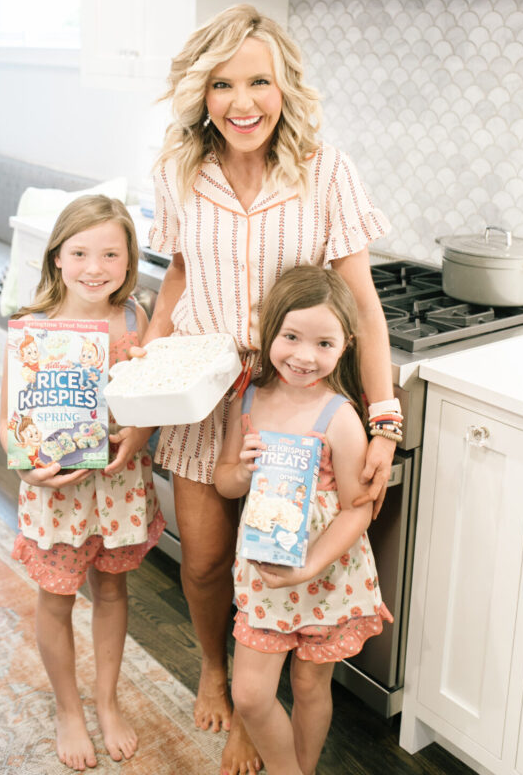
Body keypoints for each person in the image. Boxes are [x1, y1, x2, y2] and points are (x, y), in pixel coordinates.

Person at [116, 3, 402, 775]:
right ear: (200, 94)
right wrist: (145, 372)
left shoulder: (325, 170)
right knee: (207, 562)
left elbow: (363, 307)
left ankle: (256, 705)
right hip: (202, 391)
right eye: (221, 84)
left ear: (284, 88)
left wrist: (383, 419)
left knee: (280, 554)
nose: (241, 102)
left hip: (294, 398)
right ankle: (217, 672)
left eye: (257, 82)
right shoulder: (178, 171)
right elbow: (178, 277)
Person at [0, 195, 165, 772]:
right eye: (80, 253)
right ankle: (69, 709)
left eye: (111, 254)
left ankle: (106, 700)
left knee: (113, 591)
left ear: (130, 260)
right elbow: (8, 419)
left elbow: (149, 400)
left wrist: (139, 436)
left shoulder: (135, 318)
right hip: (57, 494)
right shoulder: (32, 327)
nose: (95, 268)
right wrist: (25, 467)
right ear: (57, 257)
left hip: (118, 486)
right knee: (57, 596)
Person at [214, 265, 393, 775]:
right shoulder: (248, 400)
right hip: (265, 574)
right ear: (271, 330)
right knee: (251, 695)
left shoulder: (339, 415)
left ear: (345, 347)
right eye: (291, 337)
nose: (304, 356)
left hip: (327, 574)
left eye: (323, 344)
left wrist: (310, 565)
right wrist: (241, 472)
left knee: (310, 685)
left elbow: (358, 508)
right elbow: (225, 481)